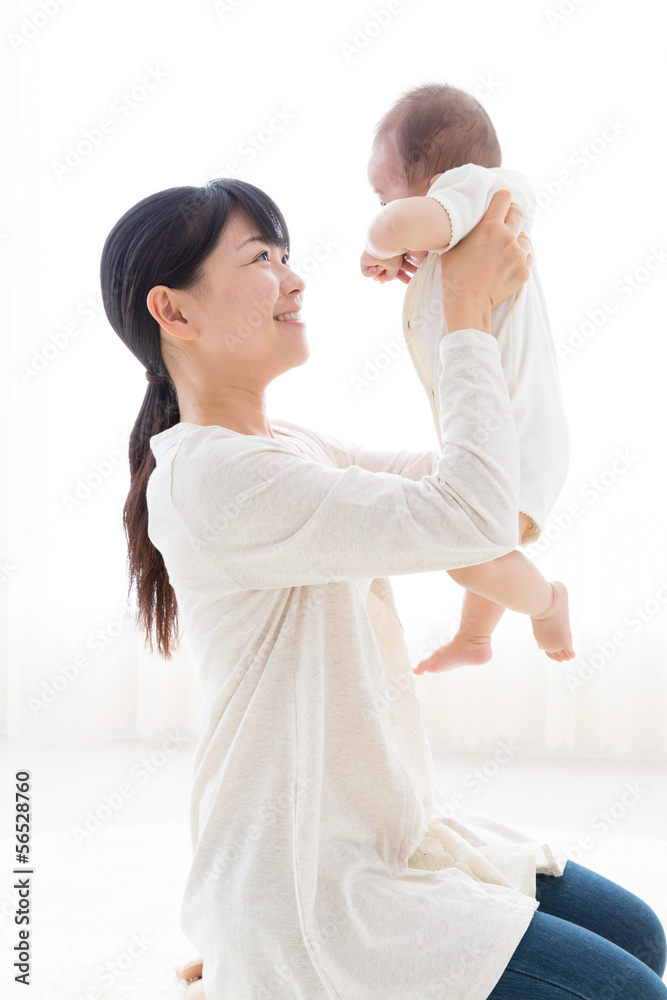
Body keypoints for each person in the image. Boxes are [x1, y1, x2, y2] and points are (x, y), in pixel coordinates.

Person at [99, 178, 667, 1000]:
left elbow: (479, 504)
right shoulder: (216, 477)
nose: (294, 279)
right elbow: (469, 517)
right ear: (173, 312)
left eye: (286, 254)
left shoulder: (282, 444)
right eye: (261, 258)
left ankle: (249, 957)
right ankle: (263, 960)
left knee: (640, 939)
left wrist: (467, 302)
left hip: (378, 831)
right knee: (626, 993)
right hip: (311, 881)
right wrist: (464, 317)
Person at [361, 82, 575, 674]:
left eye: (384, 197)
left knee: (465, 549)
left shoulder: (483, 192)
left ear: (435, 183)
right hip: (516, 431)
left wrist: (380, 237)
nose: (383, 216)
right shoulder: (462, 239)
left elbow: (404, 224)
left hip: (522, 436)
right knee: (486, 542)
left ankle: (547, 603)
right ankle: (475, 638)